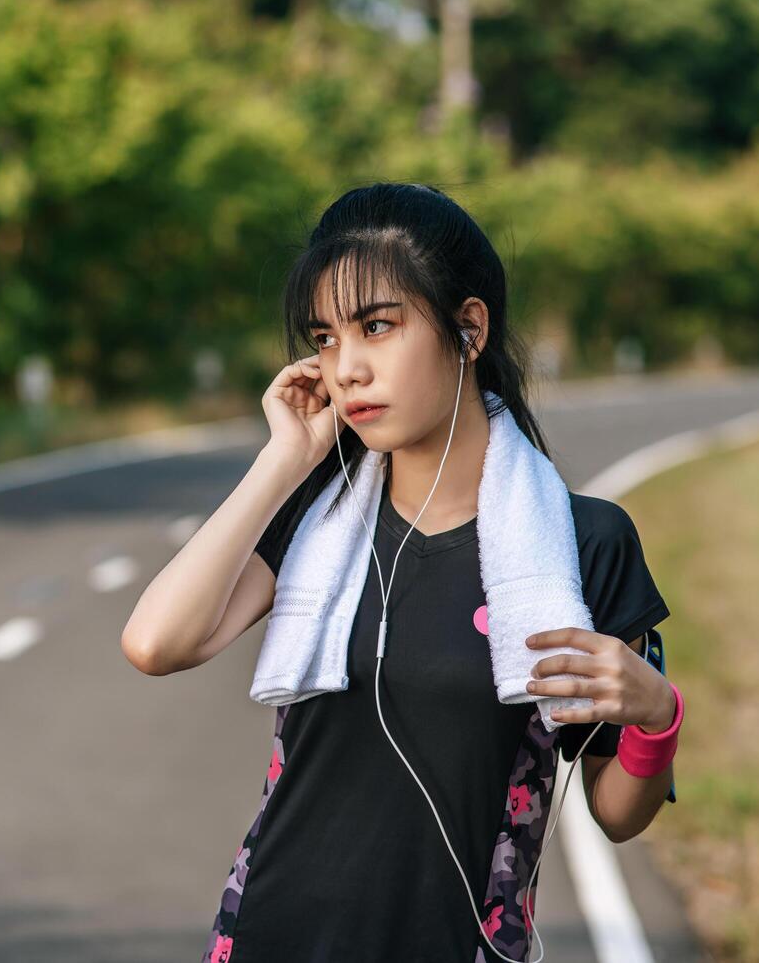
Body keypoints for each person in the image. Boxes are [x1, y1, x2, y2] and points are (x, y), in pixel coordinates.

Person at [120, 182, 681, 962]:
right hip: (269, 938)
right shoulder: (316, 524)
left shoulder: (581, 545)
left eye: (376, 327)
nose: (346, 368)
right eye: (324, 338)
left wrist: (656, 716)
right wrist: (283, 460)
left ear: (469, 328)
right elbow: (155, 643)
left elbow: (618, 813)